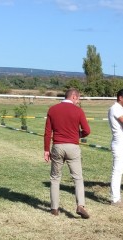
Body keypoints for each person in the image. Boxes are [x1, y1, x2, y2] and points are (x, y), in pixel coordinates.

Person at [43, 88, 91, 218]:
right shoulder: (78, 111)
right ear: (74, 97)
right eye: (78, 99)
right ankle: (80, 205)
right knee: (78, 178)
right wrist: (77, 135)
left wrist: (46, 150)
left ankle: (54, 209)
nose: (78, 101)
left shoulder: (52, 110)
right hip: (73, 147)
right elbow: (87, 130)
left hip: (57, 146)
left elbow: (48, 133)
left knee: (55, 178)